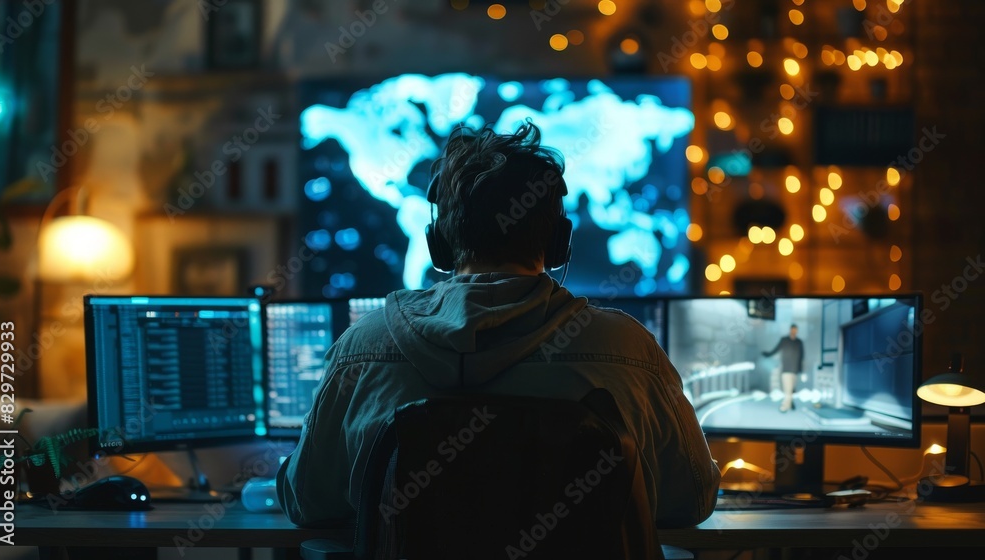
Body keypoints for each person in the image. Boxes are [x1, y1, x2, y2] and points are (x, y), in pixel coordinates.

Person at [276, 121, 720, 531]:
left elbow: (307, 503)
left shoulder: (362, 348)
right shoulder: (627, 350)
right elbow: (692, 499)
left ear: (438, 246)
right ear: (559, 243)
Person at [762, 324, 805, 412]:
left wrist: (801, 369)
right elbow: (776, 349)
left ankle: (790, 402)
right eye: (793, 330)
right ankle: (785, 406)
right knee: (787, 389)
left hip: (795, 370)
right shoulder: (784, 340)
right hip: (786, 369)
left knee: (791, 389)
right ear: (790, 330)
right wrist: (768, 355)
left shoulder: (799, 342)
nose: (794, 331)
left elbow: (801, 356)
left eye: (795, 330)